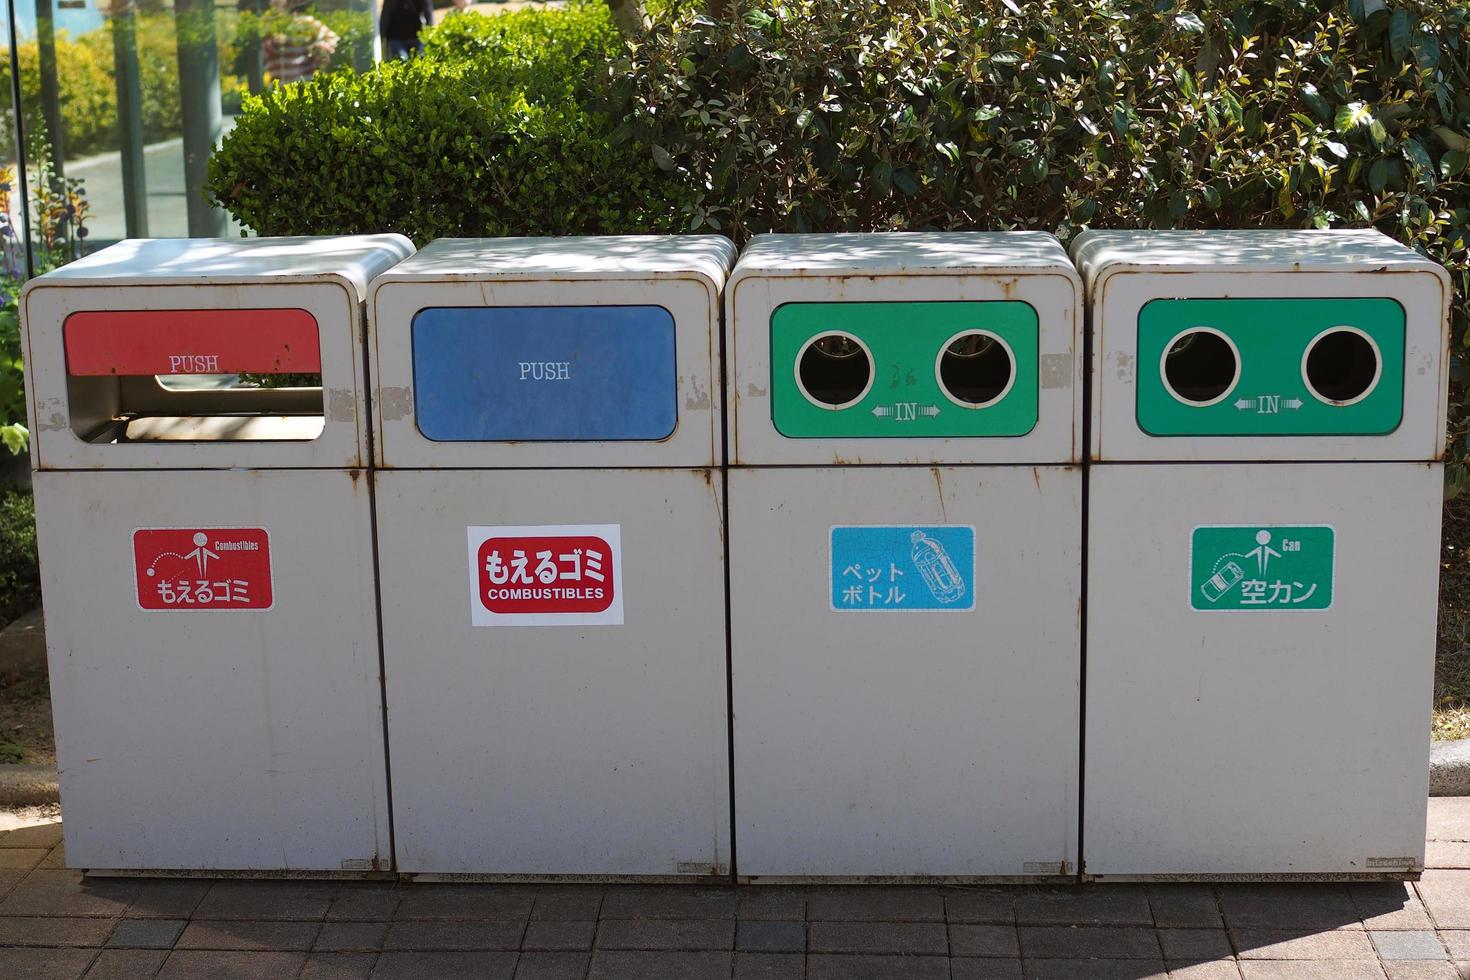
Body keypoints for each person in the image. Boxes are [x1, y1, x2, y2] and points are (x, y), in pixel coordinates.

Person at [262, 0, 339, 85]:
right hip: (279, 87)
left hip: (304, 83)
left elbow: (332, 38)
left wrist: (320, 48)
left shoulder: (306, 23)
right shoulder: (269, 26)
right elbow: (264, 53)